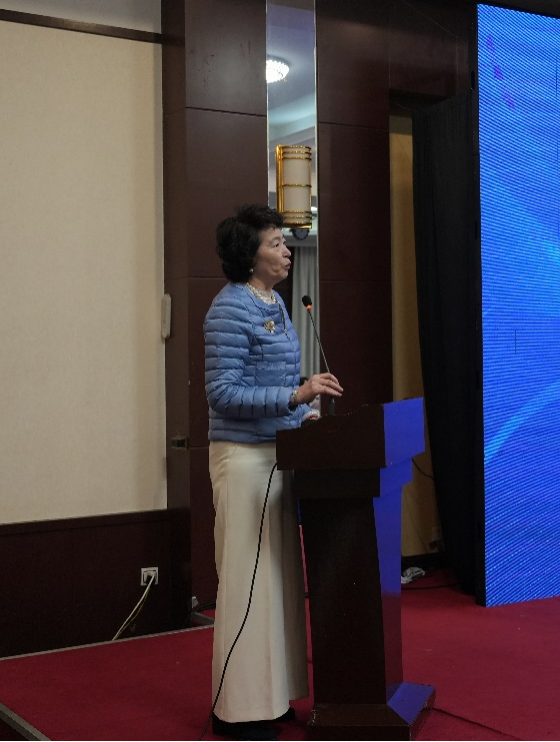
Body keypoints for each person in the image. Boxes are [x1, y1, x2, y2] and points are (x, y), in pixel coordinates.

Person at [203, 204, 343, 742]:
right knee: (247, 583)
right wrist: (294, 396)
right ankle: (237, 711)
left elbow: (277, 383)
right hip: (243, 460)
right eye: (276, 243)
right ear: (250, 254)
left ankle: (271, 696)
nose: (287, 250)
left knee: (278, 583)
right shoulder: (228, 308)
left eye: (285, 242)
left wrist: (299, 412)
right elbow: (223, 393)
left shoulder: (278, 303)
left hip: (278, 454)